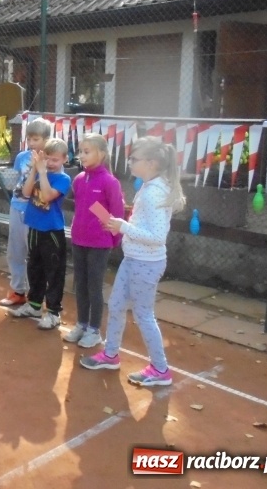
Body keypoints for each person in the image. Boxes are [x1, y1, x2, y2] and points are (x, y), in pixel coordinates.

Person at [80, 136, 186, 387]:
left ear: (151, 163)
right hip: (133, 259)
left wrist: (123, 226)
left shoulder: (154, 193)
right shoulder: (149, 187)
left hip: (146, 263)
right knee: (116, 305)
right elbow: (145, 224)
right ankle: (110, 355)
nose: (129, 162)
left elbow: (157, 237)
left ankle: (160, 369)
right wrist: (123, 223)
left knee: (144, 315)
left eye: (134, 159)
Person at [64, 133, 125, 348]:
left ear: (102, 153)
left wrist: (113, 240)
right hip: (79, 240)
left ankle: (94, 330)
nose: (81, 155)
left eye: (87, 151)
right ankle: (81, 324)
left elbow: (117, 214)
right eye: (80, 151)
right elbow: (82, 207)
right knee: (80, 285)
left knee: (94, 286)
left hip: (99, 244)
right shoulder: (79, 180)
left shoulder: (110, 182)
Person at [11, 138, 72, 329]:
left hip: (51, 231)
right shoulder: (39, 173)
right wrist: (34, 171)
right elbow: (26, 192)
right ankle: (34, 304)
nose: (51, 163)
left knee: (53, 272)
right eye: (47, 159)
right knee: (34, 268)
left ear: (64, 159)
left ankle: (53, 312)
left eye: (55, 159)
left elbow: (46, 196)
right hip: (34, 227)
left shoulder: (63, 179)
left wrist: (43, 172)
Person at [0, 117, 54, 307]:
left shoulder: (51, 160)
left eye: (36, 139)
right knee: (15, 251)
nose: (31, 143)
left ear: (46, 139)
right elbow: (16, 179)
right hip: (17, 207)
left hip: (36, 211)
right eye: (29, 139)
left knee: (34, 255)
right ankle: (18, 291)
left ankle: (36, 294)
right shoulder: (22, 157)